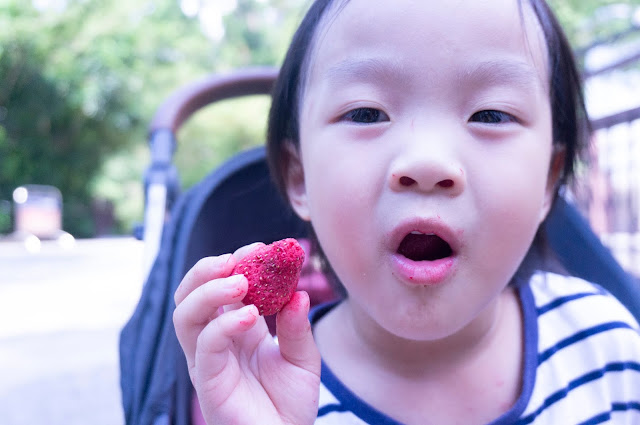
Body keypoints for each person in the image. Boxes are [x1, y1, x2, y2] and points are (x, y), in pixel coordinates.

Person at [172, 0, 640, 424]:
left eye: (491, 114)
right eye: (367, 113)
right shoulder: (267, 392)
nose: (427, 161)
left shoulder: (606, 344)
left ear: (549, 179)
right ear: (300, 177)